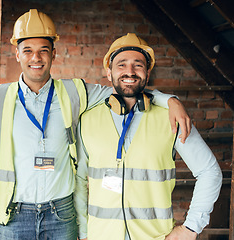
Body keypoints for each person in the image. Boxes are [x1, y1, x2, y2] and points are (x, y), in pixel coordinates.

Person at [0, 10, 191, 240]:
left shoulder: (77, 92)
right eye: (28, 50)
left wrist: (169, 99)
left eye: (43, 50)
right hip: (13, 216)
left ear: (53, 53)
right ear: (17, 54)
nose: (35, 58)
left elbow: (126, 87)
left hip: (61, 213)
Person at [74, 33, 223, 240]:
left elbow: (209, 171)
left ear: (147, 72)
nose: (130, 72)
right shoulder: (88, 119)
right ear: (108, 72)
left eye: (138, 65)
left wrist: (191, 228)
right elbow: (79, 180)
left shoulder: (171, 118)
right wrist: (82, 233)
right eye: (121, 65)